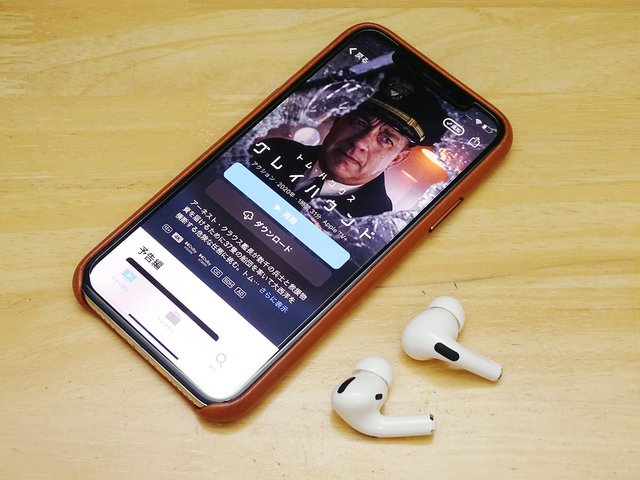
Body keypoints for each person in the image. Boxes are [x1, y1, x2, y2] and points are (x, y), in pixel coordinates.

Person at [249, 73, 447, 218]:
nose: (360, 142)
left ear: (396, 158)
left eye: (386, 139)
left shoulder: (375, 219)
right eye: (360, 123)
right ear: (338, 121)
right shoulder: (274, 150)